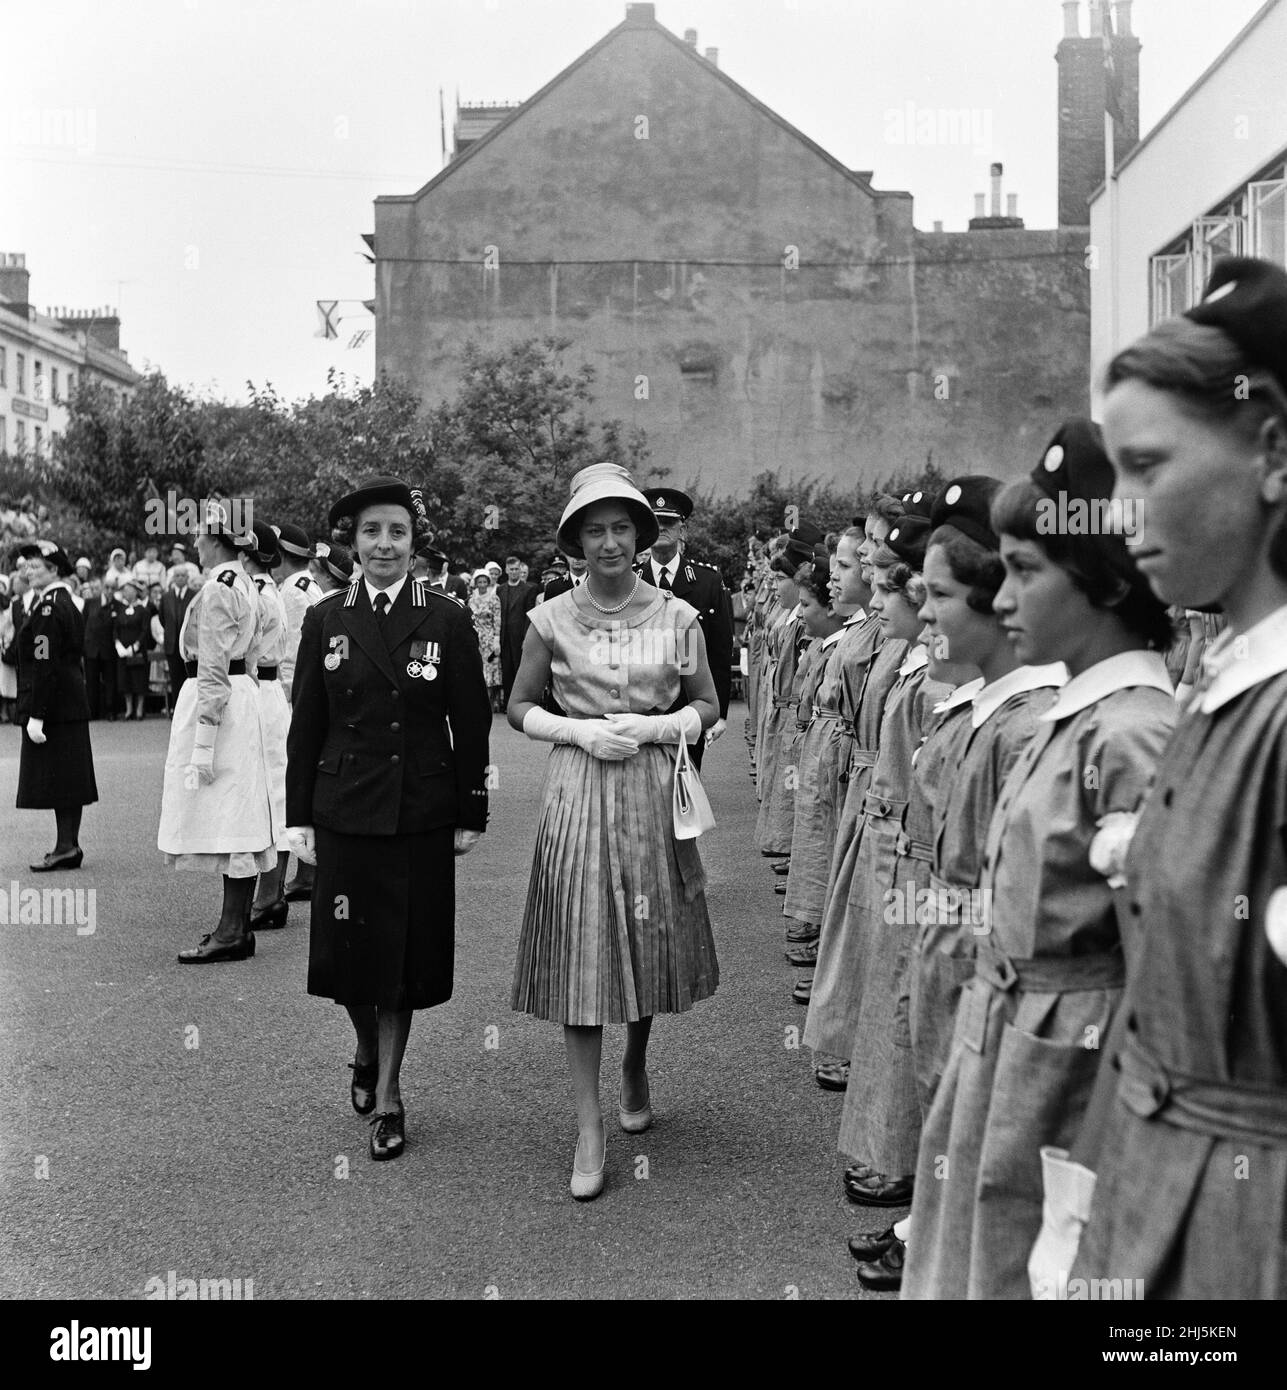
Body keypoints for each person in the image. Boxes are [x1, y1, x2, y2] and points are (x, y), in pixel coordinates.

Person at [1056, 257, 1287, 1300]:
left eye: (1147, 467)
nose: (1121, 513)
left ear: (1272, 446)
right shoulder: (1227, 688)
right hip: (1164, 1207)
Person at [903, 426, 1176, 1300]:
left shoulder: (1129, 733)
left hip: (1069, 1059)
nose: (1001, 594)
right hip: (1015, 1038)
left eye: (1025, 570)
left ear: (1097, 576)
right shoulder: (1077, 713)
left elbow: (1161, 972)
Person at [508, 462, 720, 1201]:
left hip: (650, 788)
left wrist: (662, 725)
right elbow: (518, 706)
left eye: (620, 528)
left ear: (640, 535)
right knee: (581, 949)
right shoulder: (550, 618)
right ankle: (588, 1124)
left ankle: (634, 1058)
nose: (607, 542)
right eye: (592, 530)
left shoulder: (676, 617)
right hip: (578, 783)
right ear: (575, 540)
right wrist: (574, 732)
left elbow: (709, 705)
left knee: (646, 940)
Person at [286, 476, 490, 1161]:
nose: (383, 545)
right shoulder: (325, 618)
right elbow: (306, 725)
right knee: (347, 955)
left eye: (396, 532)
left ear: (413, 543)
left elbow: (471, 719)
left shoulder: (446, 617)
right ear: (353, 541)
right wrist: (298, 818)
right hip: (342, 806)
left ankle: (394, 1092)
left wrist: (470, 810)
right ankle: (365, 1045)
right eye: (371, 532)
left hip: (419, 809)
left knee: (403, 954)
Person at [159, 504, 275, 964]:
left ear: (219, 541)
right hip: (237, 698)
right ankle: (236, 926)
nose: (195, 544)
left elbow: (212, 667)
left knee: (232, 817)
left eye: (201, 537)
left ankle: (233, 930)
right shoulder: (242, 582)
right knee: (237, 814)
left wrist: (203, 742)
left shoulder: (218, 588)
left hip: (218, 703)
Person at [13, 540, 98, 870]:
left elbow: (44, 662)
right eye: (29, 566)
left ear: (55, 571)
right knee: (69, 777)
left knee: (62, 778)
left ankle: (66, 846)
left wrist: (37, 714)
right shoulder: (60, 601)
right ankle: (68, 845)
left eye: (37, 567)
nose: (29, 571)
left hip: (55, 707)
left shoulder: (49, 609)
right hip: (67, 704)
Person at [638, 489, 734, 769]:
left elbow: (720, 651)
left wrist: (720, 714)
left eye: (669, 522)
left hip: (689, 708)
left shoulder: (707, 582)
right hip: (640, 710)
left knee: (684, 792)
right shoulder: (631, 580)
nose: (662, 529)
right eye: (655, 522)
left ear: (683, 529)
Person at [243, 522, 294, 931]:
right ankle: (270, 895)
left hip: (261, 688)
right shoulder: (267, 589)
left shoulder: (256, 594)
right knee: (272, 791)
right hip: (269, 690)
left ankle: (268, 895)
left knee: (269, 795)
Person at [274, 522, 324, 905]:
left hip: (293, 695)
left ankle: (305, 872)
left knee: (292, 780)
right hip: (308, 692)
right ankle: (306, 871)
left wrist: (288, 699)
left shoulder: (292, 592)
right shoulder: (308, 586)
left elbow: (291, 655)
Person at [498, 553, 540, 706]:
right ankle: (507, 703)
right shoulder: (500, 590)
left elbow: (529, 615)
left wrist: (526, 638)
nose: (514, 572)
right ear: (506, 570)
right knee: (506, 669)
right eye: (511, 569)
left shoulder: (529, 589)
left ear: (520, 569)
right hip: (504, 636)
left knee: (519, 669)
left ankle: (519, 702)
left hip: (520, 636)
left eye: (516, 569)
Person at [112, 577, 151, 720]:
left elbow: (144, 630)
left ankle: (139, 708)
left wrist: (135, 646)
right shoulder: (120, 609)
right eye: (124, 591)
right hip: (122, 650)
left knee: (139, 680)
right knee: (125, 680)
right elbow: (115, 628)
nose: (125, 593)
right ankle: (129, 709)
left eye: (128, 591)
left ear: (136, 592)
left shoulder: (143, 610)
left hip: (138, 650)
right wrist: (118, 645)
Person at [160, 561, 197, 708]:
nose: (180, 578)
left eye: (183, 575)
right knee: (175, 679)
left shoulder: (194, 595)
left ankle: (189, 709)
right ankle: (176, 708)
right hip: (172, 645)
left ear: (188, 577)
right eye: (177, 575)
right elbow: (163, 619)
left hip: (189, 646)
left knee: (189, 678)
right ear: (173, 578)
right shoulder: (166, 597)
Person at [467, 568, 503, 711]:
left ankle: (491, 701)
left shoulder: (494, 598)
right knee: (477, 668)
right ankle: (478, 700)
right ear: (475, 583)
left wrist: (496, 638)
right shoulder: (471, 599)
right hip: (476, 636)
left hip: (489, 636)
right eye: (479, 582)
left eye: (484, 582)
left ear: (488, 583)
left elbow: (497, 619)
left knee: (491, 669)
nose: (482, 584)